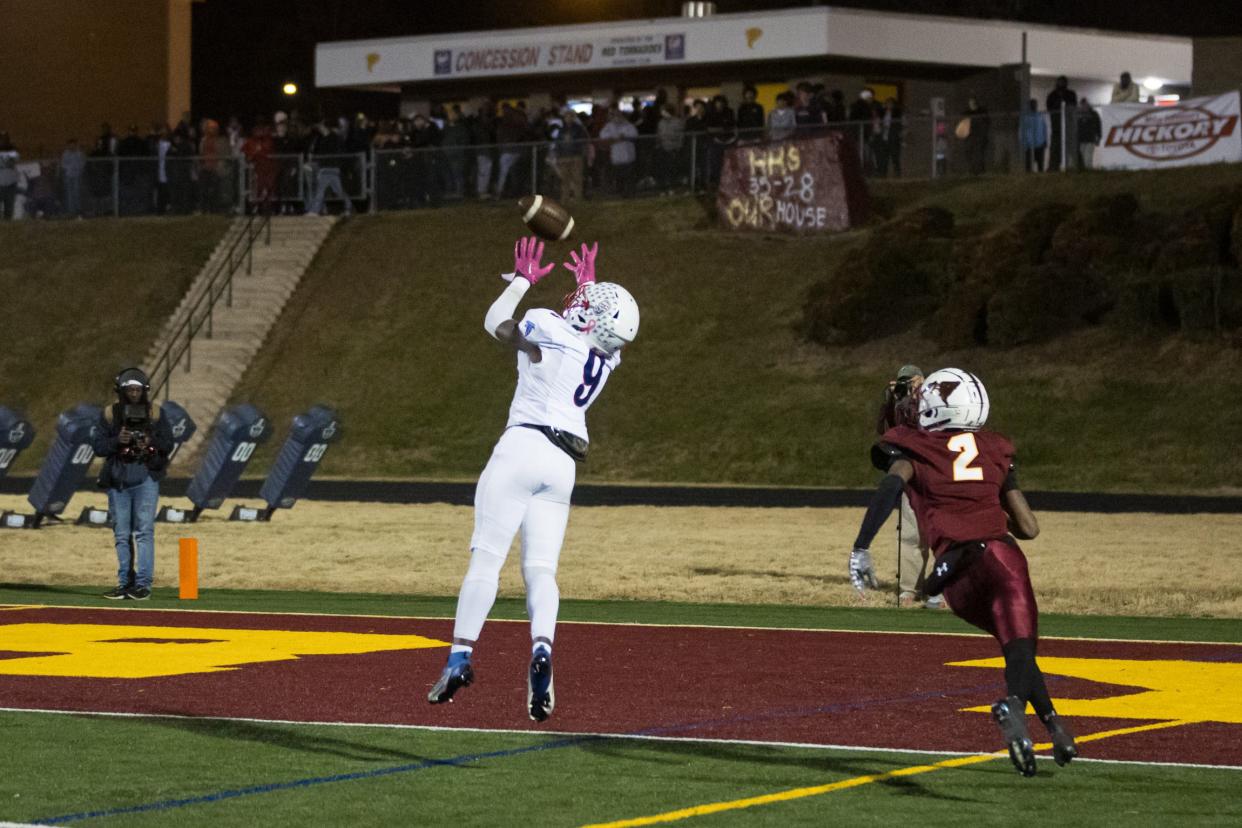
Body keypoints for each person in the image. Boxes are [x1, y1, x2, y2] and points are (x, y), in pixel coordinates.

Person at [428, 236, 640, 722]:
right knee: (540, 570)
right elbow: (591, 329)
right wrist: (589, 287)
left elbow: (497, 326)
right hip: (563, 466)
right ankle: (542, 646)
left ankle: (460, 656)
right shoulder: (607, 359)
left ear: (589, 317)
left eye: (585, 302)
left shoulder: (547, 323)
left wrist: (522, 281)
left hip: (522, 447)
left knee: (485, 559)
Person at [848, 368, 1078, 777]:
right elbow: (1029, 528)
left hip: (954, 582)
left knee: (1014, 648)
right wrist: (999, 486)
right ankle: (1018, 710)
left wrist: (861, 546)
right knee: (1019, 646)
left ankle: (1055, 728)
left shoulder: (913, 447)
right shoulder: (993, 449)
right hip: (999, 560)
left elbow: (889, 487)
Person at [91, 368, 174, 601]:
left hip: (146, 477)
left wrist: (150, 441)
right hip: (118, 478)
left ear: (144, 390)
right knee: (121, 534)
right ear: (122, 391)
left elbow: (168, 443)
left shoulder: (156, 413)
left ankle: (143, 585)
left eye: (138, 389)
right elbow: (98, 446)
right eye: (130, 389)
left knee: (144, 532)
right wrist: (118, 440)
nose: (135, 394)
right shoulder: (109, 414)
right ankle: (125, 583)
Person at [872, 365, 938, 608]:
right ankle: (910, 589)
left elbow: (924, 424)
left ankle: (940, 589)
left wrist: (918, 395)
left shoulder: (933, 399)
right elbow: (885, 430)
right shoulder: (899, 403)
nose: (906, 386)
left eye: (909, 381)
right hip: (911, 472)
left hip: (934, 471)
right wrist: (890, 401)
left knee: (940, 532)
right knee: (910, 534)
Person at [599, 108, 639, 197]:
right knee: (619, 176)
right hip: (616, 157)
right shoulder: (609, 126)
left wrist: (624, 137)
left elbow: (634, 135)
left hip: (628, 157)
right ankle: (620, 192)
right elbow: (602, 135)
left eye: (619, 115)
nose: (617, 118)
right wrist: (615, 138)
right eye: (615, 116)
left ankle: (629, 193)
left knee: (628, 176)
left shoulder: (628, 125)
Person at [1046, 76, 1078, 172]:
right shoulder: (1052, 95)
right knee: (1055, 147)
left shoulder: (1071, 94)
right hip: (1056, 126)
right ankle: (1053, 167)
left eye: (1063, 82)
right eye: (1059, 82)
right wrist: (1058, 104)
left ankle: (1074, 166)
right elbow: (1049, 108)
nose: (1061, 84)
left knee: (1071, 146)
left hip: (1068, 125)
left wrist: (1065, 105)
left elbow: (1073, 106)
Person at [963, 96, 989, 175]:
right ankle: (971, 170)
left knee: (979, 154)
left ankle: (980, 171)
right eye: (970, 103)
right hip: (970, 137)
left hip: (979, 137)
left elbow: (986, 123)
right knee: (969, 153)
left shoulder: (981, 112)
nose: (971, 104)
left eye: (973, 103)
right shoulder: (967, 113)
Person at [1020, 99, 1048, 173]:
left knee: (1040, 164)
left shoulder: (1040, 116)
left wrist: (1045, 140)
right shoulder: (1025, 117)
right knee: (1028, 165)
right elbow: (1022, 131)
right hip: (1029, 144)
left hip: (1040, 143)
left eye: (1035, 104)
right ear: (1029, 106)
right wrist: (1023, 143)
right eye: (1032, 104)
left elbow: (1044, 129)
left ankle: (1040, 179)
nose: (1034, 106)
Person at [1075, 98, 1102, 171]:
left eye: (1085, 105)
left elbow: (1098, 126)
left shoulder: (1094, 114)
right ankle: (1085, 172)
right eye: (1082, 105)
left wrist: (1099, 137)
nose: (1084, 107)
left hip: (1090, 139)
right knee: (1083, 157)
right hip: (1080, 140)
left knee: (1088, 157)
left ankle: (1088, 171)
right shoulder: (1077, 115)